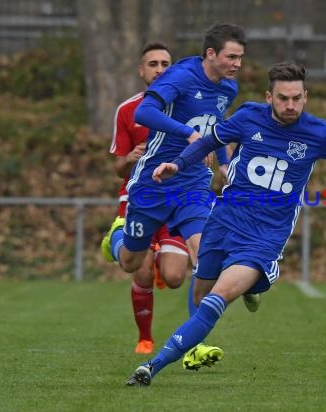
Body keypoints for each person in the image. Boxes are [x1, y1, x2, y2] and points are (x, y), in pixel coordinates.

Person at [125, 61, 326, 387]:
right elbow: (208, 142)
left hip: (263, 238)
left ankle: (152, 366)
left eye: (297, 98)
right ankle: (255, 285)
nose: (291, 106)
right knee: (201, 296)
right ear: (268, 96)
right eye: (283, 98)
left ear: (306, 96)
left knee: (215, 300)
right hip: (224, 222)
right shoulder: (247, 118)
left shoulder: (319, 133)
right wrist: (177, 164)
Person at [101, 23, 247, 370]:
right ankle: (116, 236)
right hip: (152, 183)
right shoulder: (180, 77)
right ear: (211, 54)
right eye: (232, 56)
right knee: (131, 263)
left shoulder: (229, 86)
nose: (238, 63)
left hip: (192, 183)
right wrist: (188, 133)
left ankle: (194, 343)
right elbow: (144, 113)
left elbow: (219, 125)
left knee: (204, 252)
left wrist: (224, 164)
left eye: (241, 57)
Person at [104, 42, 192, 355]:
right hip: (138, 198)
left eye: (165, 63)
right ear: (142, 71)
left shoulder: (189, 109)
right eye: (152, 64)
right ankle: (145, 338)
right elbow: (117, 167)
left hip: (174, 201)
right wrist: (129, 158)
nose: (159, 69)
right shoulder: (128, 111)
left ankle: (154, 259)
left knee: (174, 277)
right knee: (139, 268)